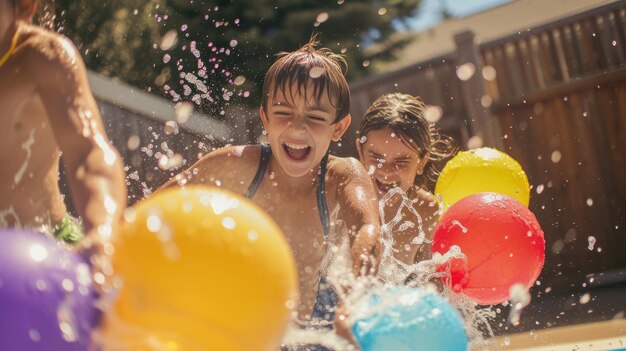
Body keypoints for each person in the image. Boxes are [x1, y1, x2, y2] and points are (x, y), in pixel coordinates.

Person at [160, 38, 381, 339]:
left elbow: (367, 231)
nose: (297, 127)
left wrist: (355, 299)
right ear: (265, 117)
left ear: (338, 128)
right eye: (283, 112)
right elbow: (154, 209)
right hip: (237, 326)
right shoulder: (236, 166)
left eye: (315, 117)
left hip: (307, 331)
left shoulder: (342, 177)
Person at [0, 0, 127, 288]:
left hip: (49, 250)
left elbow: (89, 152)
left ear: (24, 8)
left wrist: (102, 230)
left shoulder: (44, 58)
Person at [355, 92, 457, 283]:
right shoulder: (344, 195)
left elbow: (434, 285)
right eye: (376, 158)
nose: (386, 171)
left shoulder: (428, 211)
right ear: (360, 152)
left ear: (421, 162)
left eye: (401, 162)